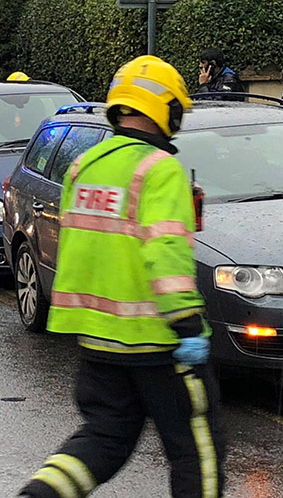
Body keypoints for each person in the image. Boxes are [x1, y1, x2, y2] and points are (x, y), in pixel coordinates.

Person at [19, 56, 224, 498]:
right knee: (197, 452)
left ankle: (39, 495)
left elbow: (84, 247)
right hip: (158, 342)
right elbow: (165, 253)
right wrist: (187, 325)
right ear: (166, 111)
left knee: (102, 440)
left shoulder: (83, 167)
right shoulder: (159, 169)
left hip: (97, 342)